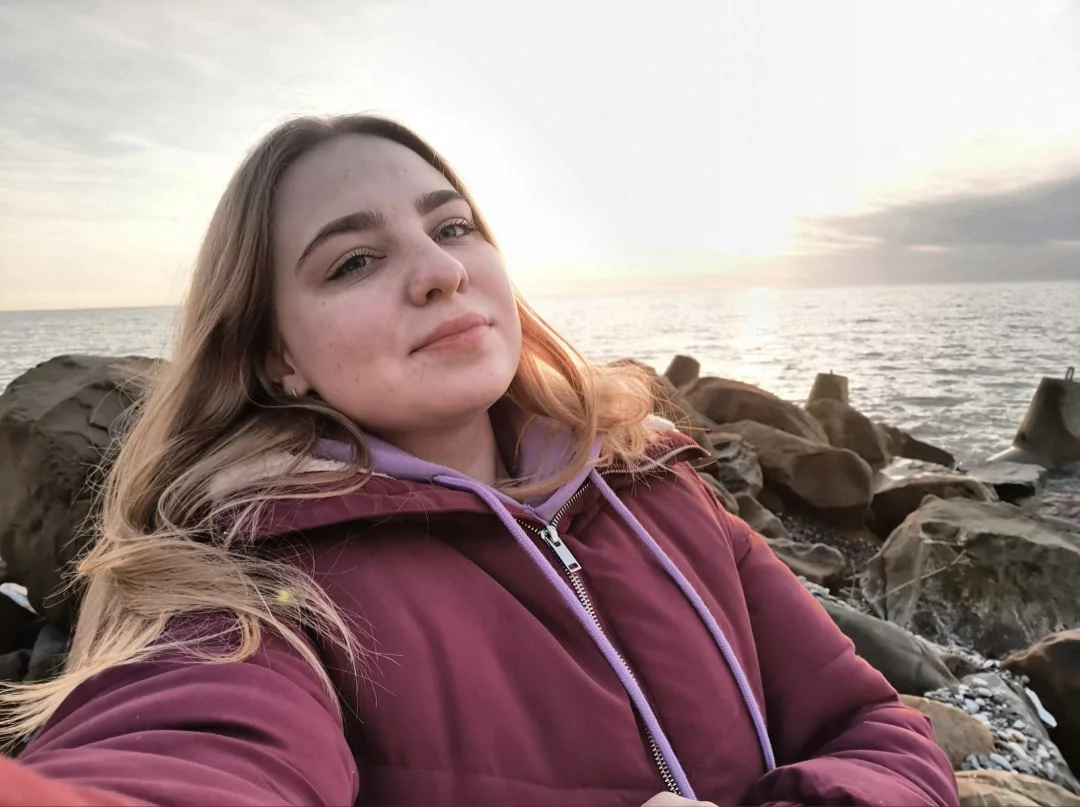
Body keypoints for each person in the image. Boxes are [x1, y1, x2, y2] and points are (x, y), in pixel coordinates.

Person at [0, 115, 959, 807]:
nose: (441, 269)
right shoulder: (244, 586)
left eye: (452, 226)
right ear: (275, 354)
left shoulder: (657, 486)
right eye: (354, 261)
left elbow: (873, 727)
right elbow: (188, 748)